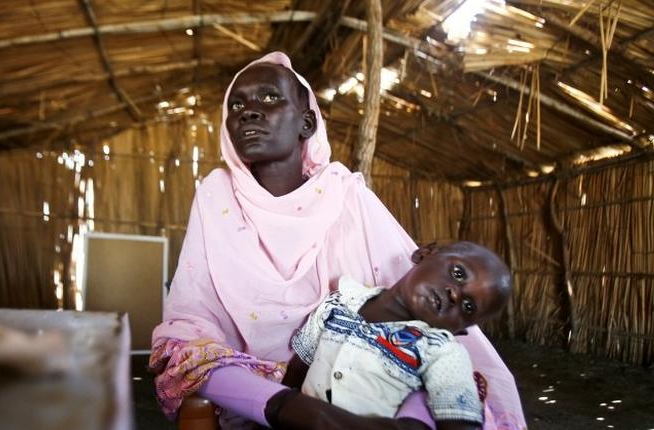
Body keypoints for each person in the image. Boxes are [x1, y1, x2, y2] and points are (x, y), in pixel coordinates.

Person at [150, 51, 526, 430]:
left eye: (269, 98)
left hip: (366, 374)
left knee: (418, 373)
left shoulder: (344, 194)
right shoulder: (216, 194)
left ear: (307, 122)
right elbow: (195, 309)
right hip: (251, 374)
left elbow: (403, 279)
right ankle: (298, 409)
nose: (249, 111)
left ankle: (316, 414)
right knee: (190, 352)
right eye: (236, 104)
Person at [281, 242, 512, 430]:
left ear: (460, 329)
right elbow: (297, 370)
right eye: (458, 273)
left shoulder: (441, 350)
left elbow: (460, 424)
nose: (454, 294)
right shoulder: (339, 302)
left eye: (468, 306)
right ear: (425, 254)